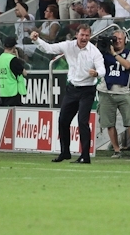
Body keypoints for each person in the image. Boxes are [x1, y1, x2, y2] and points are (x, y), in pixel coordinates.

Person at [31, 25, 105, 164]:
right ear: (76, 34)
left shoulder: (94, 51)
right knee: (63, 121)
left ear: (90, 36)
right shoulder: (68, 46)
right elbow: (49, 48)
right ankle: (65, 152)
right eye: (82, 35)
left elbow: (102, 68)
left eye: (87, 35)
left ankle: (85, 156)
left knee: (83, 122)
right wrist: (37, 40)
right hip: (72, 89)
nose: (84, 38)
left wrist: (97, 73)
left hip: (87, 90)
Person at [97, 30, 130, 160]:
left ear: (125, 40)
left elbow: (128, 65)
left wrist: (114, 54)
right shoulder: (103, 53)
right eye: (115, 38)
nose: (118, 41)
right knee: (109, 123)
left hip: (123, 91)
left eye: (120, 38)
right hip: (106, 91)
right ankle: (116, 149)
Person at [0, 36, 27, 106]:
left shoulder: (0, 58)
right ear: (14, 47)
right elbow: (24, 73)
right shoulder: (13, 59)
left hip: (3, 92)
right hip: (13, 92)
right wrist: (17, 57)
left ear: (4, 46)